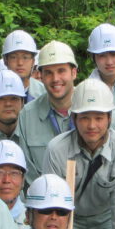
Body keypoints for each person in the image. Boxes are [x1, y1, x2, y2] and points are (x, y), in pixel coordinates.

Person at [43, 79, 115, 229]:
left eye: (99, 118)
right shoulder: (57, 149)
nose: (92, 125)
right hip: (69, 215)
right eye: (85, 118)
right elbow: (52, 204)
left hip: (106, 217)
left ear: (109, 118)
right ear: (74, 118)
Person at [16, 41, 78, 185]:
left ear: (73, 72)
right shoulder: (27, 115)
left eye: (61, 71)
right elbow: (27, 171)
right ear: (41, 76)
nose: (55, 79)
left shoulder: (91, 109)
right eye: (49, 73)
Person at [1, 30, 45, 103]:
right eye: (14, 57)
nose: (20, 63)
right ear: (5, 61)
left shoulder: (44, 93)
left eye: (25, 57)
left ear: (33, 62)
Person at [88, 23, 115, 105]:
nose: (109, 62)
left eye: (114, 54)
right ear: (93, 58)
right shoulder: (85, 91)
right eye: (102, 55)